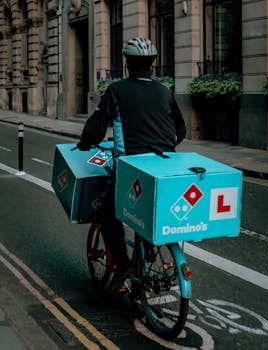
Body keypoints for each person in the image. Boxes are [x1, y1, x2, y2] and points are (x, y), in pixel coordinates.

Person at [77, 37, 186, 294]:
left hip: (132, 167)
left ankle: (125, 264)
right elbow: (180, 129)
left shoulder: (116, 91)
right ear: (153, 64)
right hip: (164, 166)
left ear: (126, 63)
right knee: (149, 211)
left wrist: (85, 143)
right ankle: (145, 260)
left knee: (105, 210)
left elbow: (96, 126)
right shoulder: (164, 91)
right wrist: (163, 144)